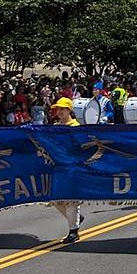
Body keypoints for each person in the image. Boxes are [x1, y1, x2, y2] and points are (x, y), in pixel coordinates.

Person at [49, 97, 85, 244]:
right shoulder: (55, 127)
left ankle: (73, 231)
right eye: (58, 109)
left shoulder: (76, 127)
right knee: (55, 199)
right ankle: (76, 218)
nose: (59, 112)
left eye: (62, 109)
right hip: (59, 167)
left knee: (71, 200)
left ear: (69, 110)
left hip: (72, 167)